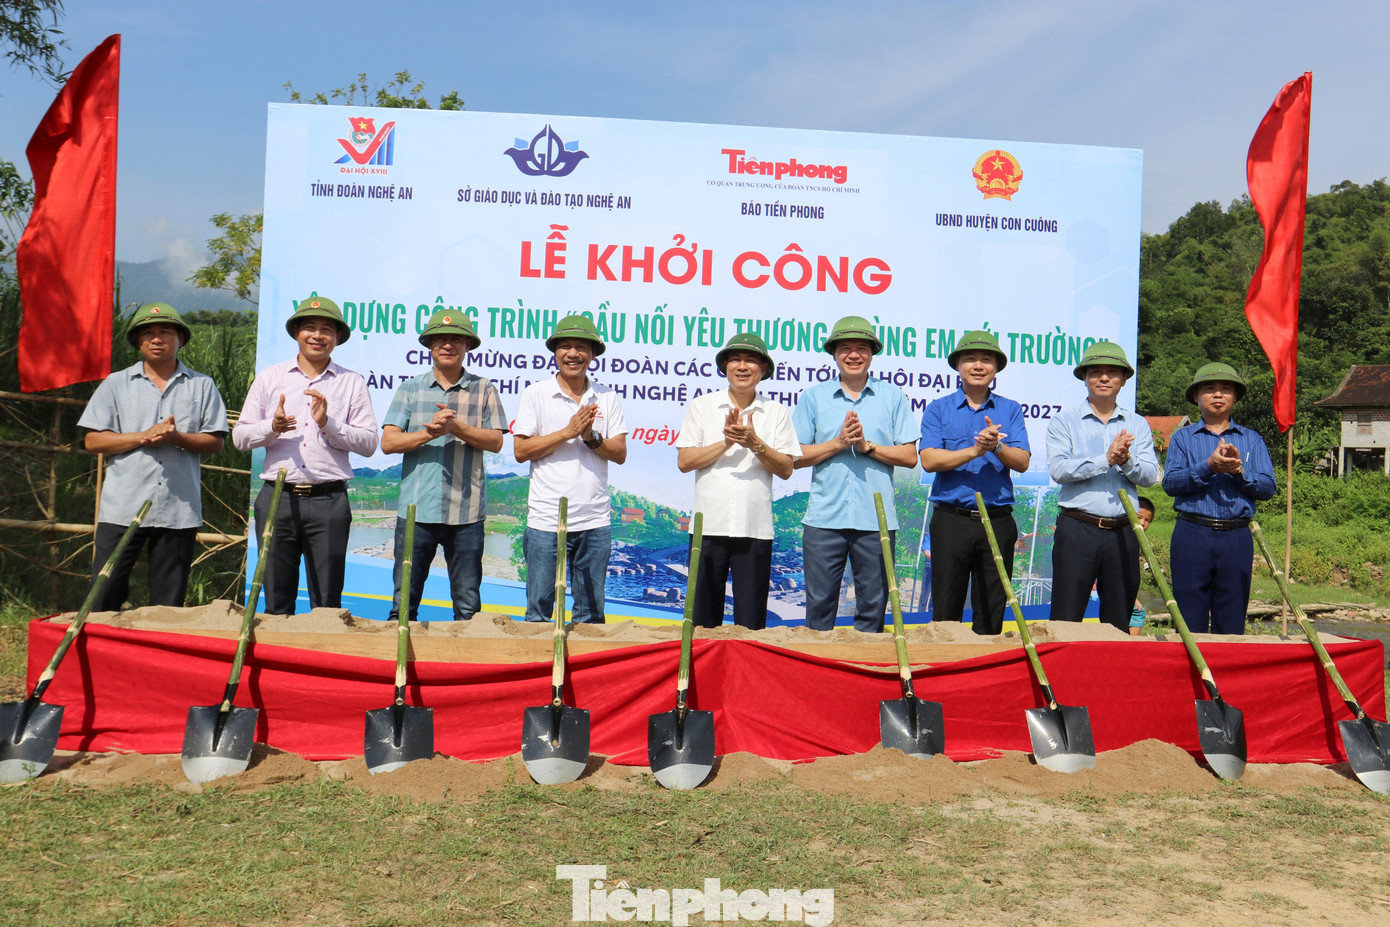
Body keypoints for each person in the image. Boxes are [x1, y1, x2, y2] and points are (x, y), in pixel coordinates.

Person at [233, 296, 378, 614]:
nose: (318, 335)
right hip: (276, 499)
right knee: (275, 596)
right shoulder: (271, 378)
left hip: (329, 502)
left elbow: (368, 443)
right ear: (296, 332)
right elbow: (240, 437)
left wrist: (328, 423)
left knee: (326, 603)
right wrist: (272, 427)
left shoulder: (350, 382)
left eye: (327, 329)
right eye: (309, 327)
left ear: (337, 338)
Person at [78, 303, 227, 610]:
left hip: (178, 508)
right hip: (122, 505)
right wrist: (141, 436)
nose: (156, 339)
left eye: (165, 332)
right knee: (104, 594)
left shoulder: (202, 385)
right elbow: (92, 441)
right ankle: (103, 653)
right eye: (148, 334)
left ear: (180, 339)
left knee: (167, 604)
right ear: (138, 342)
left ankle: (154, 656)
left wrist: (177, 438)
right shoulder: (116, 383)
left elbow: (215, 442)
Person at [793, 316, 919, 632]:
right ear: (834, 354)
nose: (853, 355)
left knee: (873, 610)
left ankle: (867, 675)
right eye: (845, 348)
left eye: (861, 348)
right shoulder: (814, 397)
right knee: (819, 610)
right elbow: (794, 456)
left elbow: (909, 456)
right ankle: (817, 676)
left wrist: (868, 447)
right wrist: (838, 443)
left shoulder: (893, 397)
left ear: (872, 353)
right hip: (824, 519)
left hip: (875, 520)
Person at [381, 310, 507, 621]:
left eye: (455, 340)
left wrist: (456, 428)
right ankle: (398, 666)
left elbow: (496, 441)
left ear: (467, 345)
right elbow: (388, 443)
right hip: (415, 511)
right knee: (403, 605)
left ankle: (466, 666)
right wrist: (428, 433)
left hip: (466, 513)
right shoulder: (410, 388)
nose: (447, 345)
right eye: (440, 340)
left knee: (468, 607)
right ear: (430, 345)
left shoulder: (484, 388)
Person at [675, 333, 801, 629]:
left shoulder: (776, 412)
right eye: (735, 360)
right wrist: (727, 443)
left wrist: (755, 443)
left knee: (751, 619)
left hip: (754, 526)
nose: (742, 367)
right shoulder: (702, 406)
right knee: (701, 618)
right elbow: (684, 462)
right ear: (725, 367)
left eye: (750, 361)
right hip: (708, 524)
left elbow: (785, 469)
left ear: (764, 369)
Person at [513, 315, 627, 623]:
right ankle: (539, 670)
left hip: (594, 519)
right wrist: (567, 432)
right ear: (555, 352)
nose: (572, 353)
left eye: (580, 347)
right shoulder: (535, 394)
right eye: (565, 346)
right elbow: (521, 451)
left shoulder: (606, 396)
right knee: (538, 610)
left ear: (592, 355)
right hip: (546, 519)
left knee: (590, 614)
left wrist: (589, 437)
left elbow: (619, 453)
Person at [918, 330, 1031, 635]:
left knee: (992, 607)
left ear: (996, 368)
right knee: (945, 610)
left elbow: (1022, 461)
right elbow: (929, 460)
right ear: (958, 365)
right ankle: (943, 670)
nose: (978, 365)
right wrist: (974, 450)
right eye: (970, 359)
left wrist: (997, 447)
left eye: (986, 359)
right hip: (951, 520)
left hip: (997, 521)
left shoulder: (1010, 409)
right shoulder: (938, 409)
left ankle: (987, 675)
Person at [1046, 341, 1159, 631]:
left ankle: (1112, 675)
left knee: (1119, 619)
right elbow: (1059, 469)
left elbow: (1148, 476)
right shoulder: (1064, 421)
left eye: (1113, 372)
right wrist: (1105, 459)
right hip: (1077, 528)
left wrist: (1126, 461)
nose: (1104, 378)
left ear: (1123, 380)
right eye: (1096, 371)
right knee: (1066, 616)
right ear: (1084, 377)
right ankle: (1062, 674)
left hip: (1123, 531)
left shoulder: (1137, 424)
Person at [1162, 363, 1276, 634]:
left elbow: (1268, 487)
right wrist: (1208, 466)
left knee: (1232, 618)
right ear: (1196, 397)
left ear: (1235, 397)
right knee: (1189, 620)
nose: (1218, 395)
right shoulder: (1182, 439)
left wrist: (1239, 472)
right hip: (1192, 532)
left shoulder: (1252, 439)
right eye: (1209, 389)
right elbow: (1170, 484)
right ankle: (1192, 675)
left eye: (1226, 389)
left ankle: (1226, 675)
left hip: (1236, 536)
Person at [1129, 495, 1155, 636]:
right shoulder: (1122, 538)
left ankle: (1132, 647)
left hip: (1128, 591)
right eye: (1139, 517)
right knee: (1137, 613)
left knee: (1138, 612)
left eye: (1147, 520)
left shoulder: (1138, 540)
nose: (1142, 523)